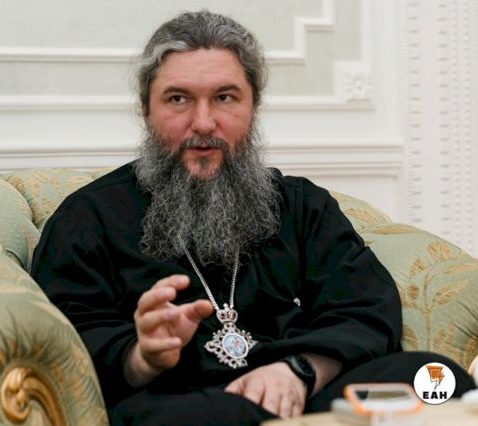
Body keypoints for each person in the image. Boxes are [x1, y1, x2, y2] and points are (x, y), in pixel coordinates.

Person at [31, 10, 475, 424]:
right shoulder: (88, 219)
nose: (203, 122)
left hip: (303, 391)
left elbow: (365, 308)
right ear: (146, 111)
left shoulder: (301, 206)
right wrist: (142, 356)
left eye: (224, 97)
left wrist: (299, 370)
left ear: (253, 108)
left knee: (436, 379)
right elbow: (67, 344)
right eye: (178, 99)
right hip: (183, 402)